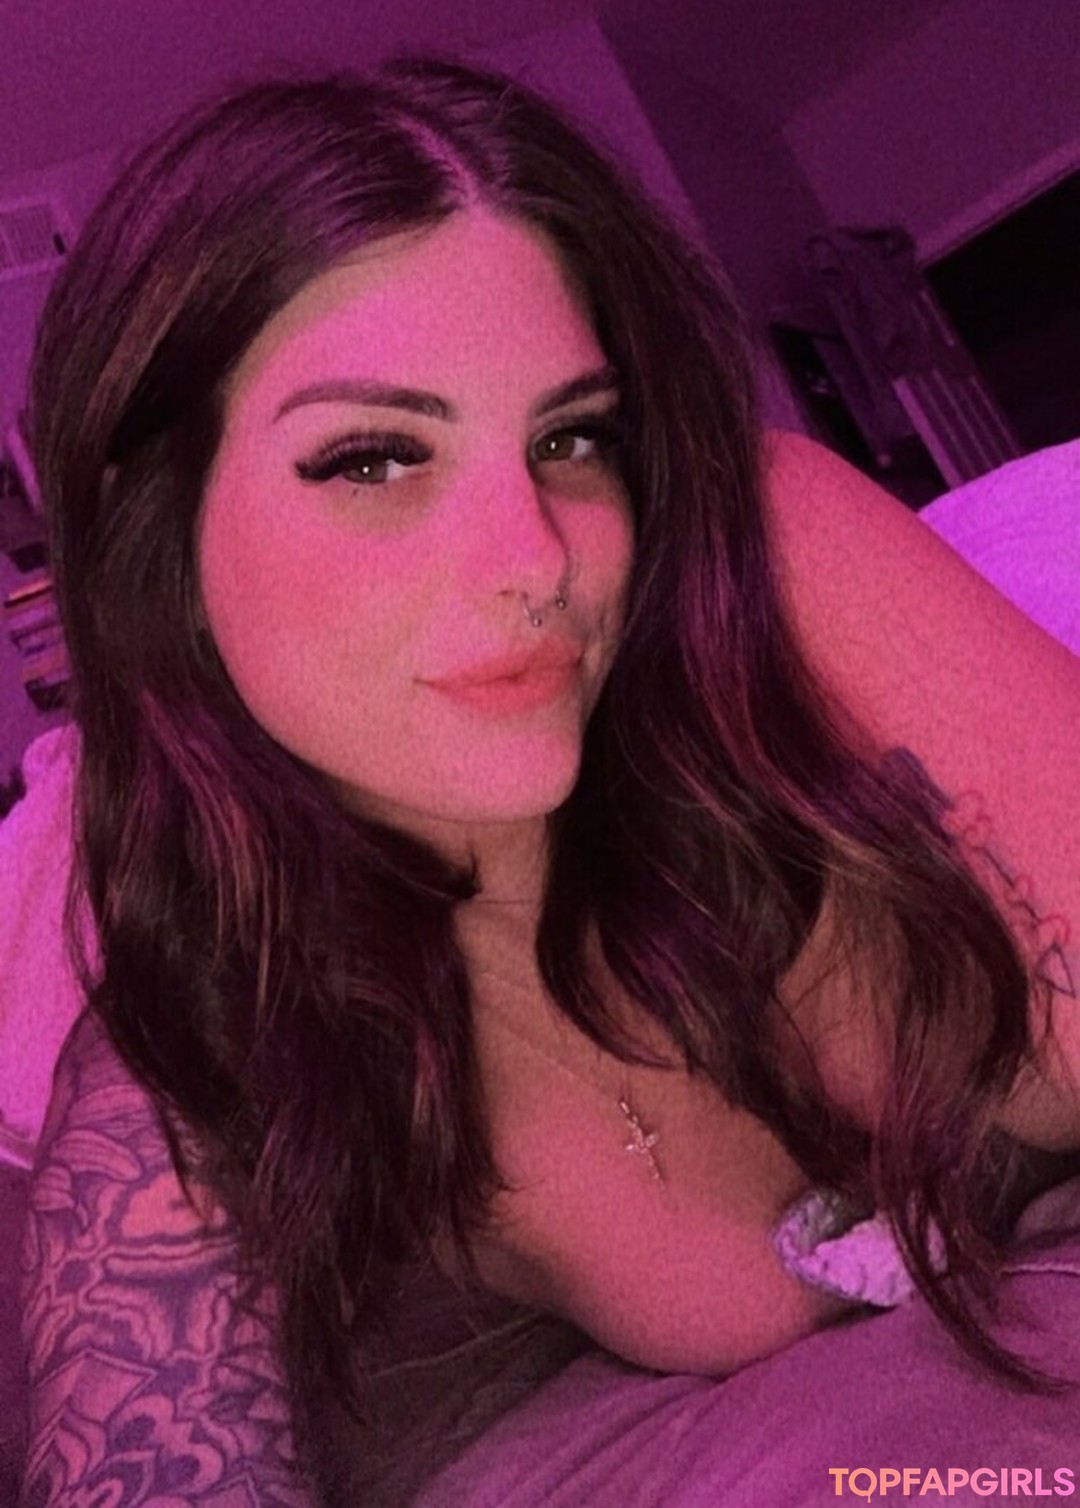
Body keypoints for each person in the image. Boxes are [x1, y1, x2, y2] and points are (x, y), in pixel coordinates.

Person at [13, 48, 1080, 1508]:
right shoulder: (201, 1049)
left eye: (571, 437)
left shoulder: (761, 571)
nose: (537, 558)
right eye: (374, 459)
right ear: (158, 535)